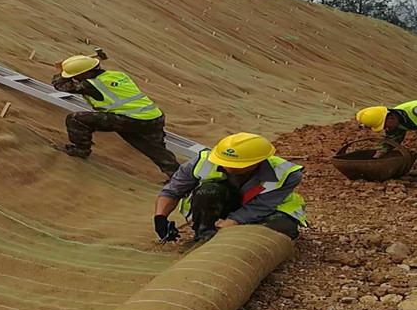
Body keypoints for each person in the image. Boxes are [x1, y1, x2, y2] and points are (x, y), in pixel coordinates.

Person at [153, 132, 307, 244]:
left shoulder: (287, 173)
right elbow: (172, 191)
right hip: (224, 201)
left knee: (283, 228)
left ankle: (243, 241)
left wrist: (233, 221)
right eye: (224, 162)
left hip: (264, 209)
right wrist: (160, 218)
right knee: (209, 190)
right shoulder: (200, 162)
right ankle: (204, 236)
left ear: (258, 161)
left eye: (236, 165)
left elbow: (262, 205)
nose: (228, 167)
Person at [51, 54, 179, 176]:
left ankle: (81, 150)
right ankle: (176, 175)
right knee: (154, 148)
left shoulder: (91, 84)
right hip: (153, 116)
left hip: (130, 119)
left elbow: (61, 86)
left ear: (85, 73)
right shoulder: (117, 75)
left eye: (75, 76)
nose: (74, 78)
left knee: (76, 119)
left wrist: (61, 72)